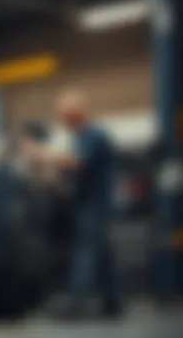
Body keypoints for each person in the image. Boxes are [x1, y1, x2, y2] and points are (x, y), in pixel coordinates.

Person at [28, 89, 122, 318]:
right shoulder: (81, 137)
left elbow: (76, 162)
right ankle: (113, 302)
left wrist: (39, 152)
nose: (59, 120)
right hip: (87, 203)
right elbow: (74, 170)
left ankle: (75, 303)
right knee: (101, 253)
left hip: (96, 204)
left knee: (86, 250)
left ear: (74, 115)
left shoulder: (94, 135)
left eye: (62, 115)